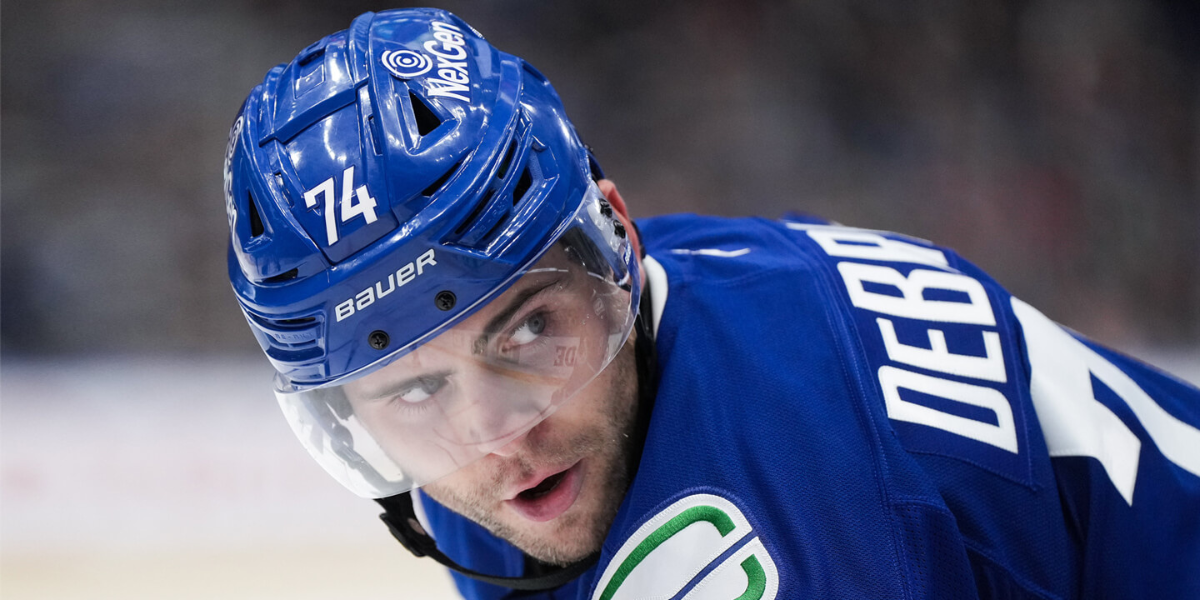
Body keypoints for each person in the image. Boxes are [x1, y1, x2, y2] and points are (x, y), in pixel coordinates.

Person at [223, 8, 1200, 599]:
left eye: (524, 332)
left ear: (613, 235)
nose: (495, 436)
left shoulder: (825, 505)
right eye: (413, 389)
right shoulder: (560, 433)